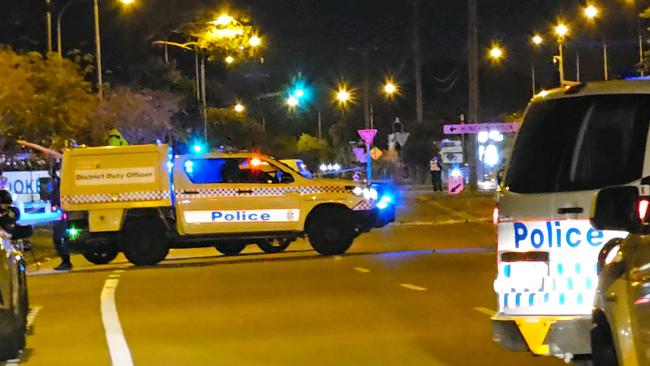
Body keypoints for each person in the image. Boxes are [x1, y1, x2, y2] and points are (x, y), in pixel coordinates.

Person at [50, 164, 71, 271]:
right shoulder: (58, 183)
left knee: (59, 238)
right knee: (59, 238)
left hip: (63, 213)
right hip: (60, 213)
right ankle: (65, 261)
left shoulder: (64, 183)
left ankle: (66, 261)